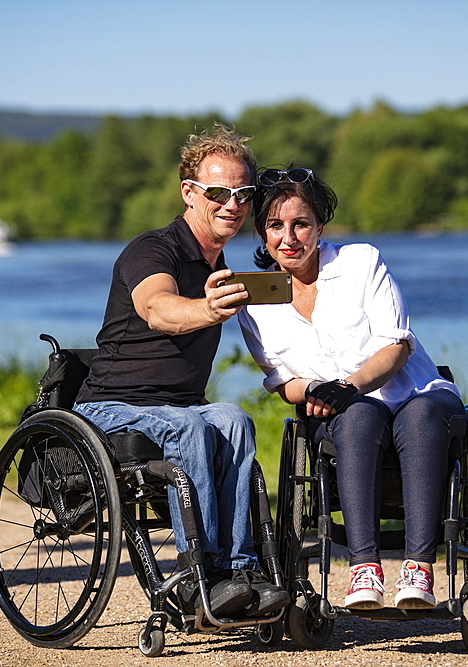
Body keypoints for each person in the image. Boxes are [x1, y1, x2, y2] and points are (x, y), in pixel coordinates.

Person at [73, 125, 288, 619]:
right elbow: (157, 308)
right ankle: (197, 576)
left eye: (243, 194)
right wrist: (209, 311)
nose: (231, 205)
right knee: (190, 424)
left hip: (177, 406)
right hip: (110, 407)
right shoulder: (153, 249)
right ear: (189, 193)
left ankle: (239, 570)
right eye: (218, 193)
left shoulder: (224, 264)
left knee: (233, 417)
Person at [238, 166, 467, 610]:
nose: (289, 237)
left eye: (300, 224)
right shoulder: (255, 303)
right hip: (347, 415)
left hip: (416, 394)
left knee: (417, 414)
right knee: (359, 416)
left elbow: (396, 346)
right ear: (262, 234)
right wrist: (318, 392)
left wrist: (350, 385)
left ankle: (419, 567)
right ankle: (365, 569)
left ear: (319, 226)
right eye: (275, 225)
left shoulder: (361, 262)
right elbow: (283, 380)